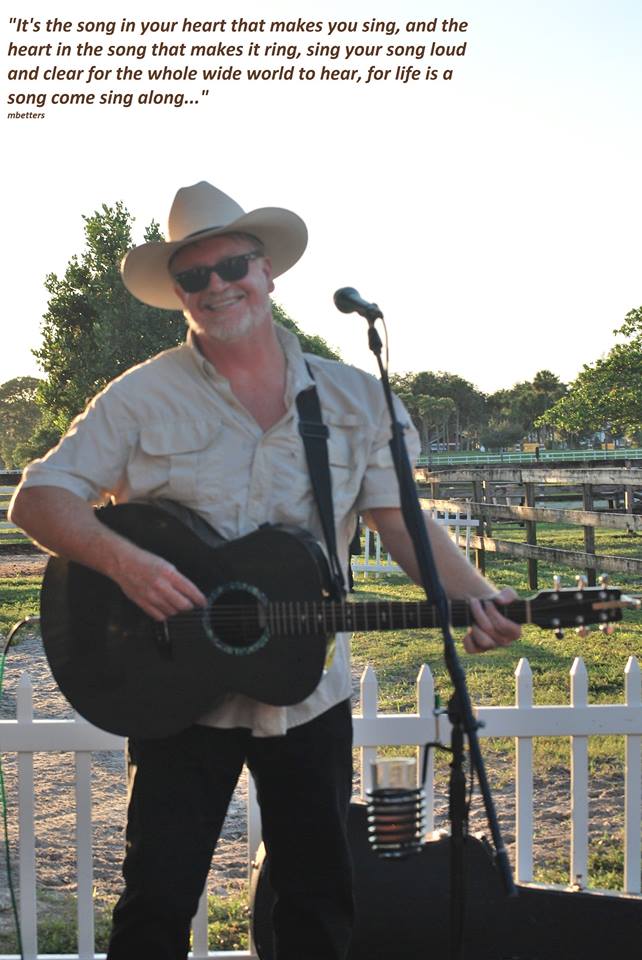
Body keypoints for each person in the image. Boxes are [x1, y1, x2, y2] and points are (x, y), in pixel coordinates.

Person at [9, 181, 521, 960]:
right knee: (156, 902)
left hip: (307, 693)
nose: (216, 286)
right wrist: (128, 564)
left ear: (267, 271)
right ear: (178, 292)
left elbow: (405, 528)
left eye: (232, 266)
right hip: (175, 690)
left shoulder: (354, 399)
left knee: (317, 902)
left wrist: (478, 597)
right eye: (194, 276)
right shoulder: (140, 398)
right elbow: (37, 500)